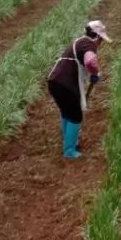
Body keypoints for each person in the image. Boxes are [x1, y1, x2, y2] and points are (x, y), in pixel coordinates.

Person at [47, 19, 111, 158]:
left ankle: (70, 141)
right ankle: (69, 151)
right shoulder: (89, 44)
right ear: (97, 36)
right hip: (66, 84)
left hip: (54, 81)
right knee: (75, 116)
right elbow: (90, 61)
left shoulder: (79, 42)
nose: (101, 43)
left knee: (66, 112)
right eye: (101, 39)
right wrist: (95, 73)